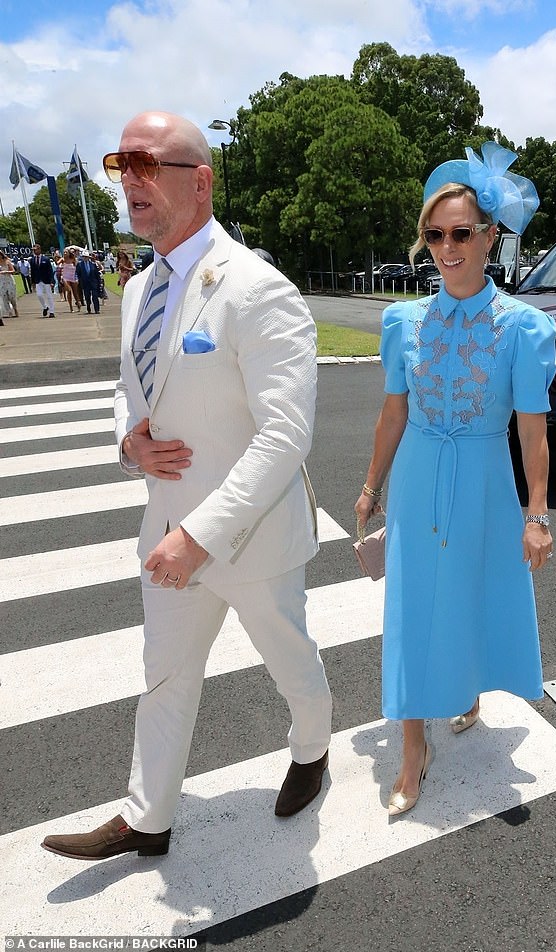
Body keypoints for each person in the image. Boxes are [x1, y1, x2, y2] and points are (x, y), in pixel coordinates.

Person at [42, 110, 332, 861]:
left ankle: (312, 749)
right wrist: (127, 438)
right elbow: (129, 389)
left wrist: (199, 535)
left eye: (145, 164)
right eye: (120, 164)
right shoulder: (140, 287)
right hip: (165, 527)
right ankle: (149, 817)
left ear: (198, 183)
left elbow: (284, 434)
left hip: (248, 537)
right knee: (164, 676)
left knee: (289, 661)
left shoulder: (259, 290)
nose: (129, 181)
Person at [354, 142, 556, 817]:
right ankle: (413, 750)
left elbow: (532, 431)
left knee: (470, 591)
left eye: (460, 233)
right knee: (410, 607)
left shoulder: (524, 329)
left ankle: (466, 691)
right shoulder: (403, 321)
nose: (446, 246)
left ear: (489, 236)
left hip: (483, 481)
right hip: (416, 477)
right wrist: (371, 485)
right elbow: (392, 412)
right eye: (434, 234)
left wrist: (536, 514)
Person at [29, 243, 56, 318]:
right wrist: (33, 282)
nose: (34, 251)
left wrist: (51, 281)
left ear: (39, 250)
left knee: (49, 295)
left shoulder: (46, 259)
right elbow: (32, 271)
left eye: (36, 250)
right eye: (33, 250)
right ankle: (45, 307)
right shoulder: (32, 260)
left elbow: (50, 271)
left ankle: (52, 311)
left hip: (46, 280)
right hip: (38, 280)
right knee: (39, 295)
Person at [76, 249, 102, 314]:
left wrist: (99, 282)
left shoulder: (93, 264)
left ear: (88, 257)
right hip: (85, 283)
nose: (85, 258)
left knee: (95, 296)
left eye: (86, 257)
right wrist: (79, 280)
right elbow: (77, 274)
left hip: (93, 282)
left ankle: (97, 309)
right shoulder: (79, 265)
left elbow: (96, 274)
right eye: (84, 257)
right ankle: (88, 308)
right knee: (87, 297)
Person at [61, 248, 82, 312]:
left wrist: (77, 278)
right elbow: (57, 262)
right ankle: (71, 307)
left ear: (69, 253)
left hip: (73, 277)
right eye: (64, 252)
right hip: (65, 278)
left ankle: (78, 302)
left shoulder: (73, 259)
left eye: (66, 252)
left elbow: (77, 268)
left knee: (75, 292)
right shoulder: (62, 260)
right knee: (69, 291)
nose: (65, 253)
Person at [0, 251, 19, 323]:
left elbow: (13, 271)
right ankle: (9, 312)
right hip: (1, 281)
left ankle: (15, 308)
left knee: (12, 296)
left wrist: (5, 272)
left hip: (9, 280)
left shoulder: (7, 261)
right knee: (4, 297)